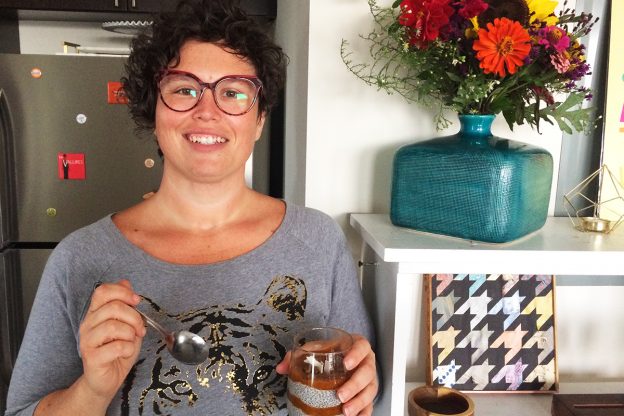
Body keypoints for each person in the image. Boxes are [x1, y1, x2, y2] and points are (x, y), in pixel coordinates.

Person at [4, 0, 378, 415]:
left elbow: (356, 392)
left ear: (258, 119)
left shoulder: (318, 240)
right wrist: (93, 389)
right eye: (184, 89)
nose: (207, 111)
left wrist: (362, 383)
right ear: (154, 111)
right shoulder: (79, 260)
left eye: (233, 92)